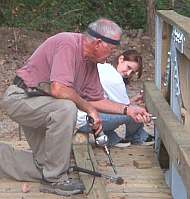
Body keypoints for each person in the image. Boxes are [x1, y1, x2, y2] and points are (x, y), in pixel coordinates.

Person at [1, 18, 151, 196]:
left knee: (44, 165)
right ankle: (55, 180)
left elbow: (95, 99)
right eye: (111, 49)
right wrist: (90, 109)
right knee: (66, 108)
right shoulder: (68, 44)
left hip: (44, 106)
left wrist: (128, 109)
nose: (111, 55)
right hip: (21, 98)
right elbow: (59, 89)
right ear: (98, 43)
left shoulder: (91, 63)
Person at [77, 49, 154, 147]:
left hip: (78, 116)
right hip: (88, 121)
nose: (128, 73)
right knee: (134, 112)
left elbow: (109, 102)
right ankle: (137, 136)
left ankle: (111, 137)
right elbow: (126, 108)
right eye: (128, 67)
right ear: (121, 59)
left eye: (132, 72)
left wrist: (133, 100)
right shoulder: (115, 79)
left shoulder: (103, 66)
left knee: (124, 110)